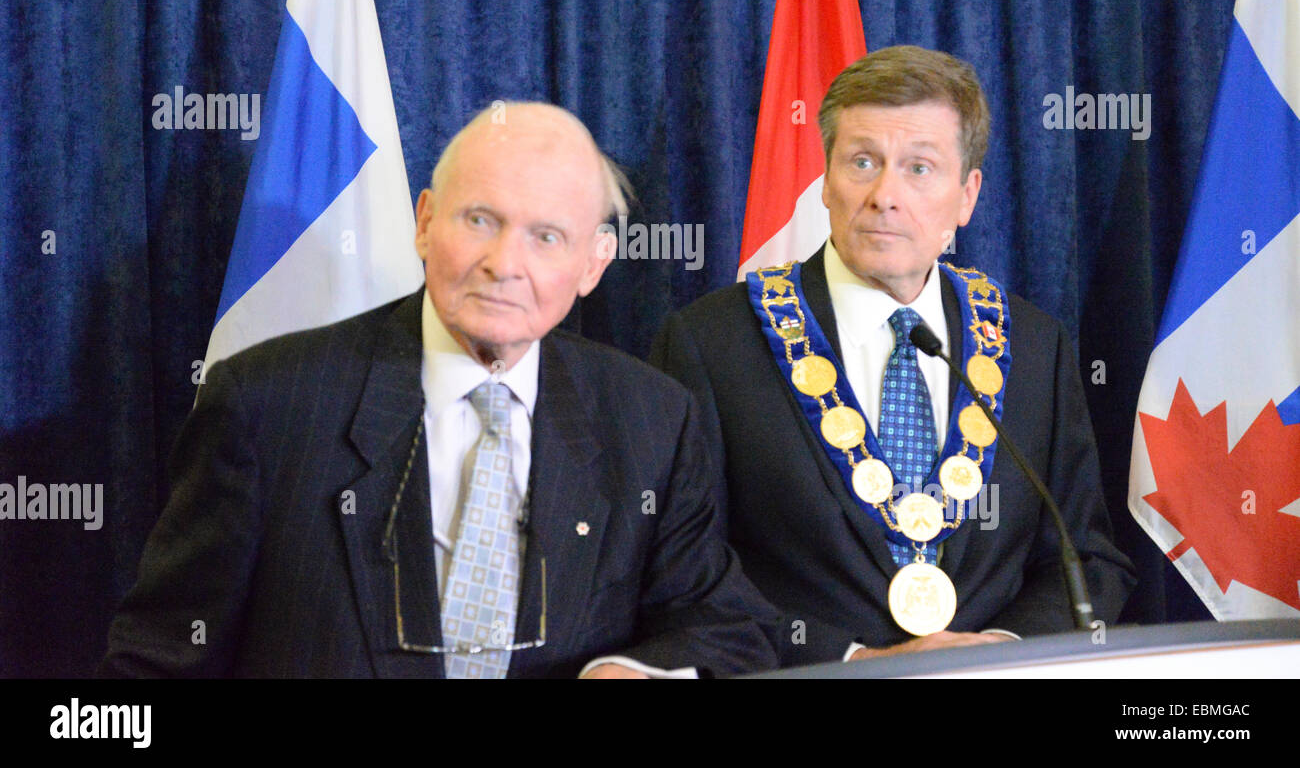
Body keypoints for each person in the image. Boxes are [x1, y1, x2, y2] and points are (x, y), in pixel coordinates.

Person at [100, 101, 779, 678]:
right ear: (424, 221)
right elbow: (157, 661)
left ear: (593, 263)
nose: (504, 263)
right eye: (480, 219)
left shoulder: (652, 418)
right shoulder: (265, 405)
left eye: (546, 236)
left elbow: (724, 627)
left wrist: (633, 671)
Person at [652, 46, 1136, 667]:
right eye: (862, 162)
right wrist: (849, 660)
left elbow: (1086, 560)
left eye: (920, 168)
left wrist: (997, 653)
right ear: (825, 180)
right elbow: (685, 572)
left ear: (967, 195)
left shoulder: (1035, 345)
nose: (885, 194)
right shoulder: (711, 344)